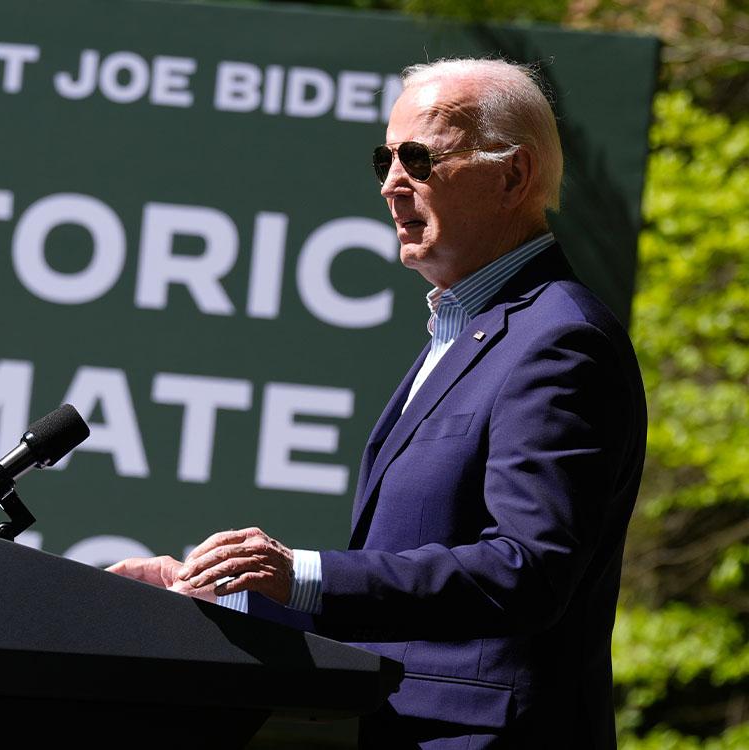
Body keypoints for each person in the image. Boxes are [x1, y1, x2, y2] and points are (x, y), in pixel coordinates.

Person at [107, 57, 647, 749]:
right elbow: (400, 588)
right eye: (384, 158)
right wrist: (227, 594)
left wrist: (300, 572)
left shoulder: (560, 339)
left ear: (512, 176)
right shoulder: (462, 334)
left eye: (420, 158)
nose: (393, 183)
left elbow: (528, 569)